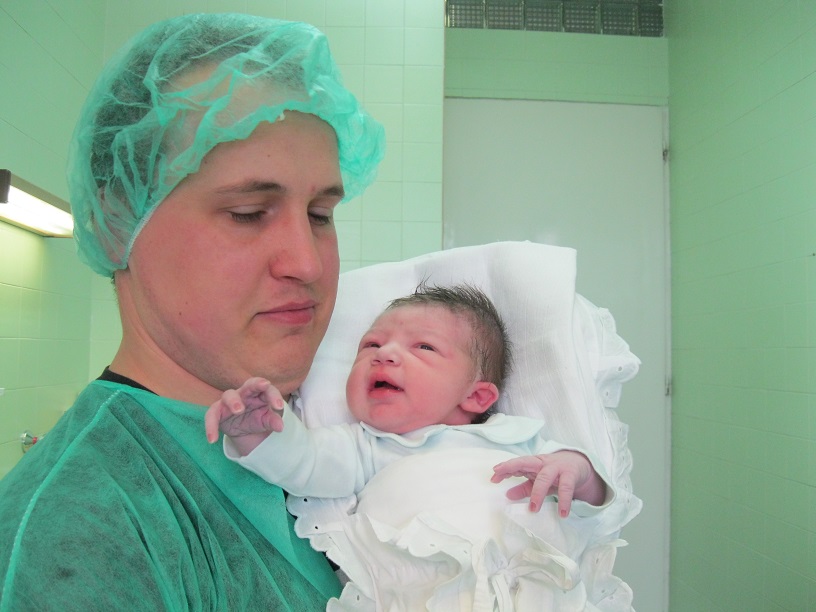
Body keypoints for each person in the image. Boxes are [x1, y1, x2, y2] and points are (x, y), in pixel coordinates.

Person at [0, 13, 384, 610]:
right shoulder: (73, 535)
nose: (307, 263)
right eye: (248, 213)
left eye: (320, 215)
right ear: (120, 219)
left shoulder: (343, 428)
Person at [206, 284, 615, 611]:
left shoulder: (519, 439)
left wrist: (578, 471)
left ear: (477, 396)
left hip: (534, 586)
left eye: (424, 347)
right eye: (370, 345)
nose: (384, 354)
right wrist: (257, 431)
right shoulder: (366, 446)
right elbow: (304, 462)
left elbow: (592, 504)